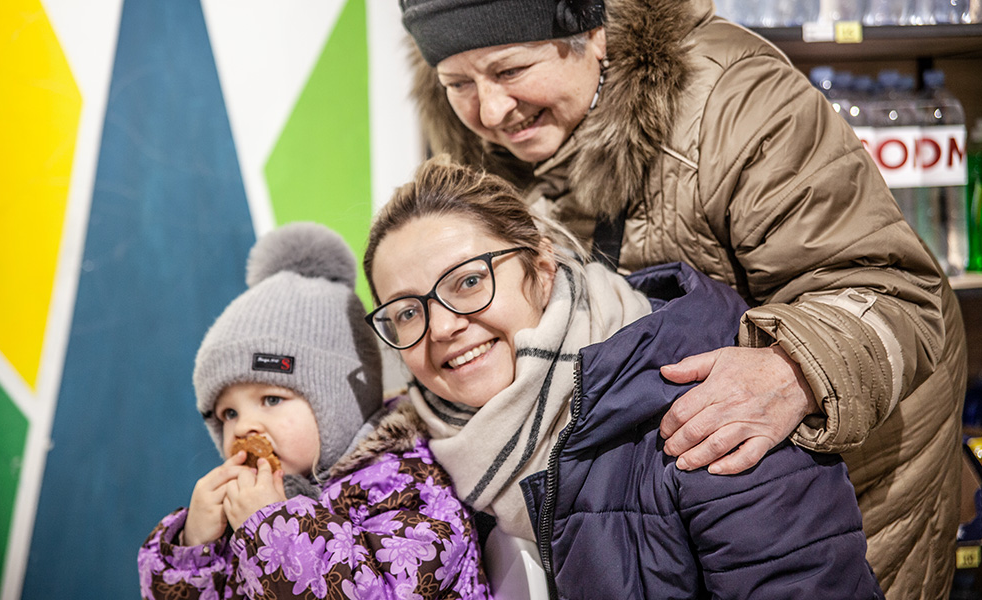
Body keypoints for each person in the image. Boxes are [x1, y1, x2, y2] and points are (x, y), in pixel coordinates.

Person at [397, 1, 967, 596]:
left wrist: (795, 366)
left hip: (837, 489)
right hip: (655, 513)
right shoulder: (471, 142)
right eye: (458, 82)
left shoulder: (732, 104)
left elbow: (894, 290)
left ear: (592, 34)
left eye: (511, 70)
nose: (489, 110)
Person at [362, 157, 884, 599]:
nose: (444, 326)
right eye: (408, 312)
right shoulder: (417, 462)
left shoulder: (713, 409)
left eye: (470, 281)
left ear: (540, 263)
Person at [138, 222, 491, 599]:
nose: (243, 428)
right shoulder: (248, 513)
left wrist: (273, 529)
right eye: (228, 414)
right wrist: (195, 548)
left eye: (271, 400)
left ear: (336, 406)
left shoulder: (405, 484)